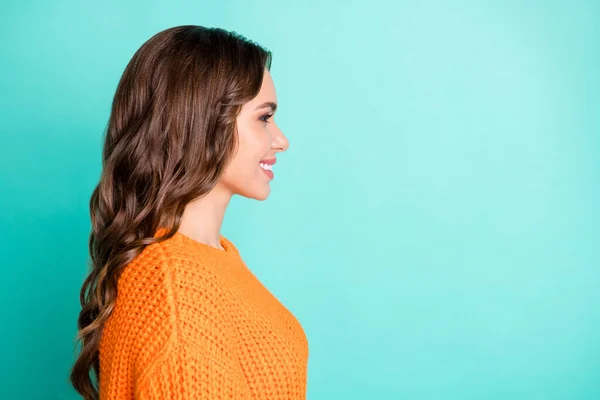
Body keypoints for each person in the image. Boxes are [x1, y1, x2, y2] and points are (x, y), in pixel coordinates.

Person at [69, 25, 309, 400]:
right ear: (204, 120)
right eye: (264, 117)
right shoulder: (173, 281)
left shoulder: (214, 259)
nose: (281, 140)